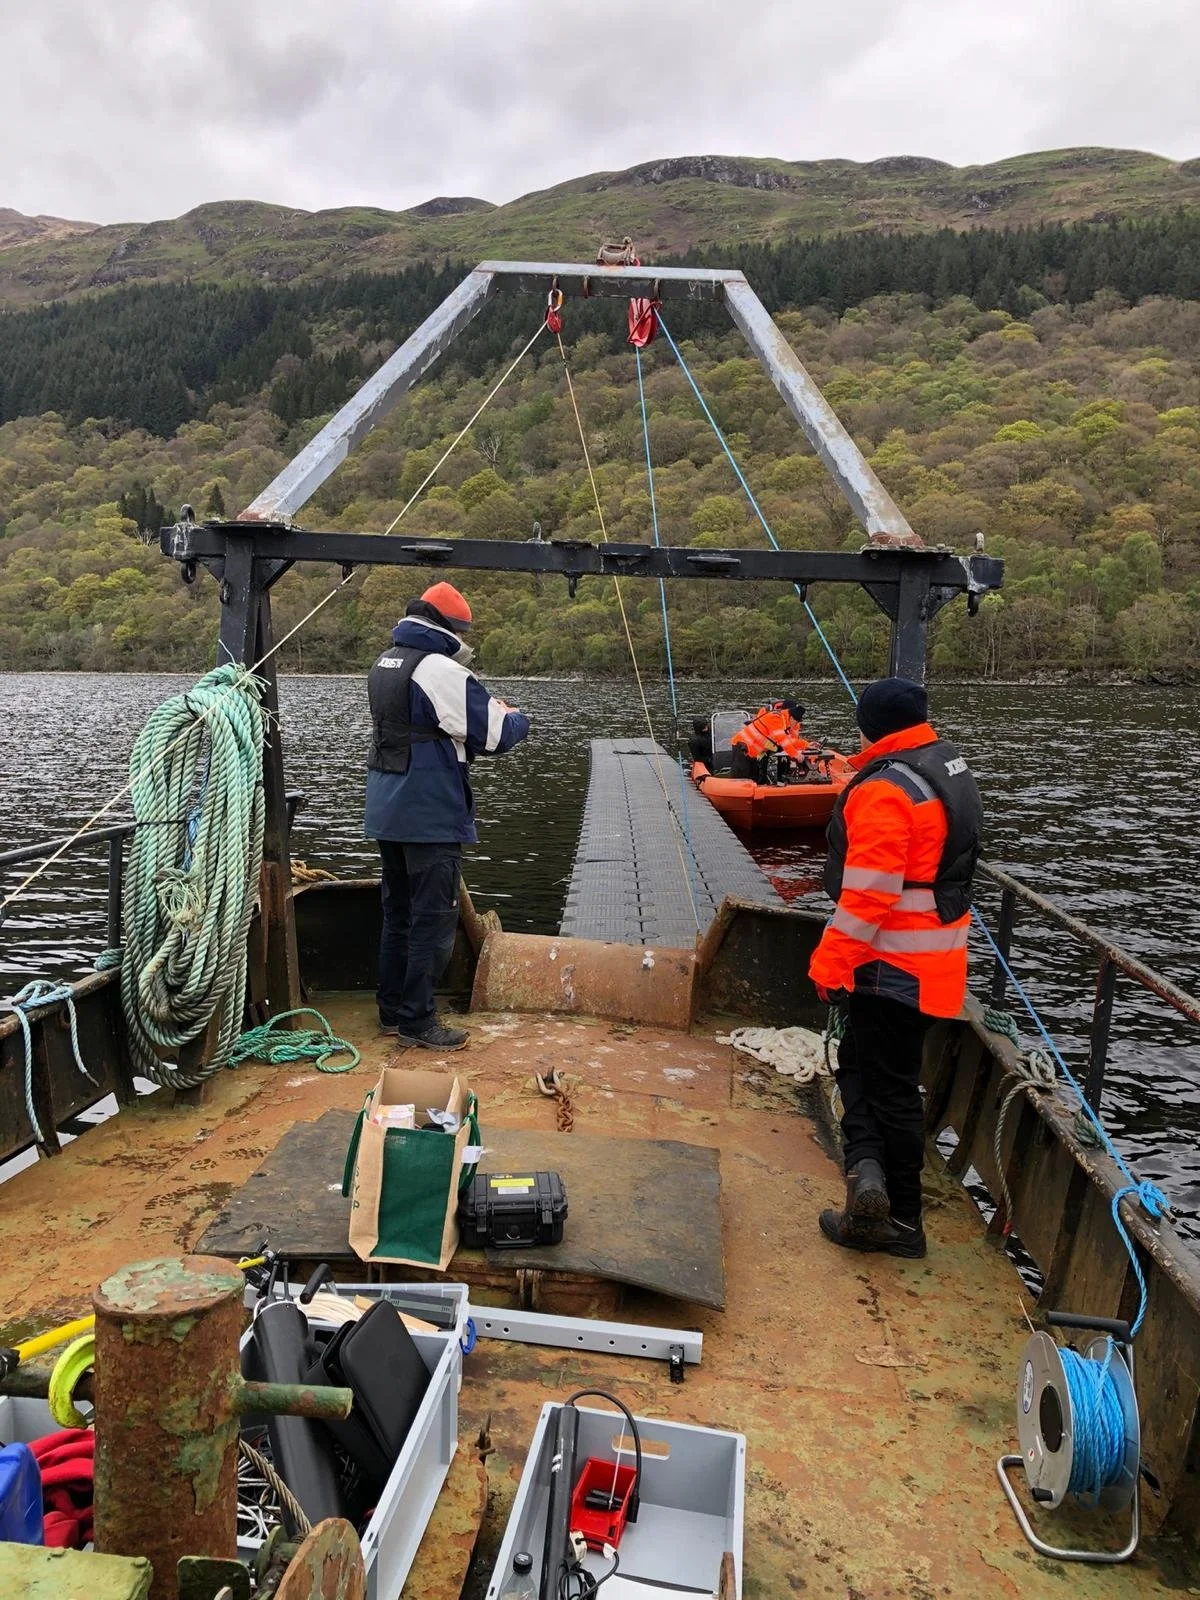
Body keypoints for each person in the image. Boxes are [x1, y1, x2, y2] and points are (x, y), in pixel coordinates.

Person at [809, 677, 982, 1258]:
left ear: (871, 725)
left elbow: (868, 897)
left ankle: (898, 1219)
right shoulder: (946, 766)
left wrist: (830, 965)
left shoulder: (887, 790)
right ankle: (871, 1181)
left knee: (883, 1086)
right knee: (881, 1075)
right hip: (936, 959)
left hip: (891, 965)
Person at [364, 581, 530, 1050]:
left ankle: (392, 1011)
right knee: (434, 920)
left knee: (398, 914)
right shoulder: (438, 669)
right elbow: (496, 735)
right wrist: (517, 716)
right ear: (450, 629)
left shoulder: (385, 662)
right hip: (428, 813)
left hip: (388, 808)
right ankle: (419, 1022)